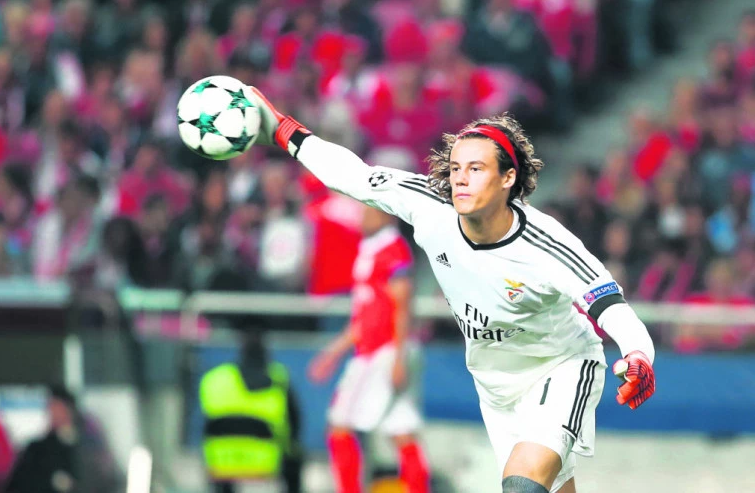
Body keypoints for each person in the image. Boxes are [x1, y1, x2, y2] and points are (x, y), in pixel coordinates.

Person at [246, 89, 657, 493]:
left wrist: (638, 354)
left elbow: (611, 305)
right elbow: (352, 176)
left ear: (508, 177)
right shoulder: (430, 206)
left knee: (521, 483)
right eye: (456, 167)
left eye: (476, 168)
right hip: (494, 384)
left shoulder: (547, 245)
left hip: (560, 366)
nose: (460, 178)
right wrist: (283, 130)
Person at [308, 204, 430, 493]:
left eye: (367, 211)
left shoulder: (392, 249)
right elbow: (365, 316)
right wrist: (332, 353)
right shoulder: (372, 248)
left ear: (385, 213)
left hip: (382, 351)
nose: (361, 217)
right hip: (385, 349)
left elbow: (402, 305)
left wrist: (398, 356)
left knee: (339, 425)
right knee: (402, 430)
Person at [199, 329, 303, 493]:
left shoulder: (214, 378)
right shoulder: (278, 378)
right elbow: (294, 423)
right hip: (266, 459)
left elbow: (207, 422)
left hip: (220, 461)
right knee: (294, 457)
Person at [5, 386, 121, 493]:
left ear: (69, 410)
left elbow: (105, 480)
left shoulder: (88, 446)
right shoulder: (37, 449)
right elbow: (20, 483)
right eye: (50, 407)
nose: (52, 413)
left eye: (57, 407)